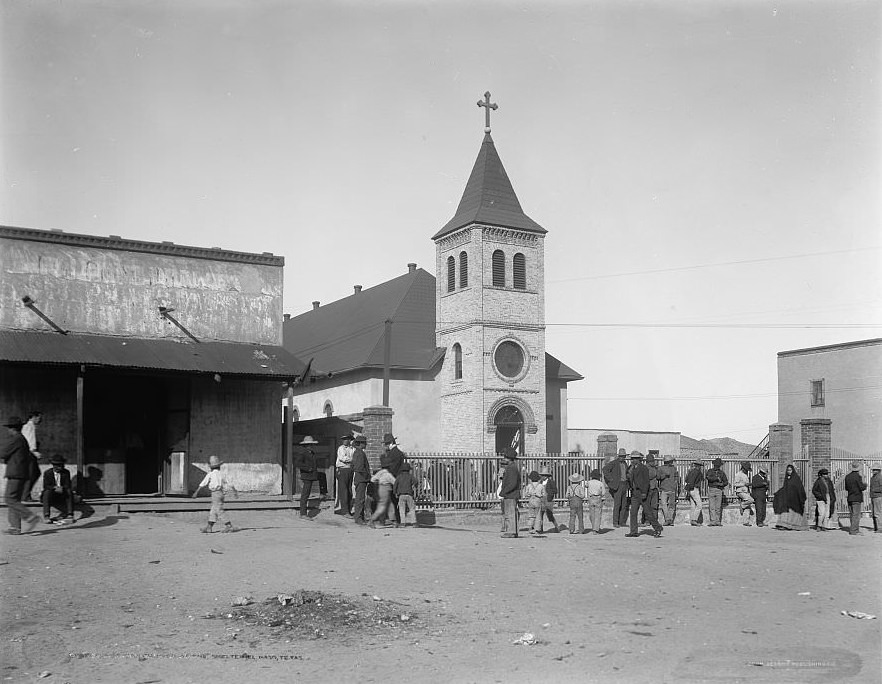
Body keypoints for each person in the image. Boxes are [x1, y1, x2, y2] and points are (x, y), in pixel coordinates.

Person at [2, 416, 41, 535]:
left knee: (9, 499)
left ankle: (31, 517)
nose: (8, 430)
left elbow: (3, 453)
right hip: (20, 472)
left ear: (12, 428)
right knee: (15, 500)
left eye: (9, 428)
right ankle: (15, 528)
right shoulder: (21, 439)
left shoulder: (16, 439)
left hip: (16, 472)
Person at [192, 454, 238, 533]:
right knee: (213, 510)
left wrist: (196, 492)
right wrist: (235, 492)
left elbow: (203, 483)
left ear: (211, 467)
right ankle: (209, 527)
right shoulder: (222, 474)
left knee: (218, 510)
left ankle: (229, 525)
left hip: (215, 494)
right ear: (219, 466)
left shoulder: (210, 474)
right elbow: (230, 483)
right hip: (221, 493)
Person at [626, 451, 662, 538]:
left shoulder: (643, 468)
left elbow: (646, 482)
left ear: (638, 459)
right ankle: (633, 531)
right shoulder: (632, 468)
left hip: (642, 492)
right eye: (632, 458)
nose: (632, 460)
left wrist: (644, 492)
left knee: (648, 512)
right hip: (634, 493)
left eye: (634, 459)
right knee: (633, 512)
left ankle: (657, 528)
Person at [773, 464, 807, 531]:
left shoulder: (796, 478)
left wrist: (801, 498)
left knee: (795, 514)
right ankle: (785, 525)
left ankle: (794, 526)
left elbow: (799, 489)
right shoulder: (787, 478)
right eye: (788, 470)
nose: (789, 471)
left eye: (790, 470)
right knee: (787, 513)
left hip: (796, 499)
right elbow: (785, 488)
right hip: (788, 500)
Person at [41, 454, 74, 524]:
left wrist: (62, 488)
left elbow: (68, 485)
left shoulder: (66, 472)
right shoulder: (47, 473)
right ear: (54, 466)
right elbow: (46, 485)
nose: (61, 467)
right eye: (58, 465)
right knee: (46, 492)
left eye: (61, 465)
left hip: (62, 493)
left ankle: (70, 514)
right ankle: (46, 516)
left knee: (69, 491)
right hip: (52, 494)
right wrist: (54, 488)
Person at [383, 433, 406, 523]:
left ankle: (395, 519)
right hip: (398, 478)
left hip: (393, 478)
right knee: (395, 500)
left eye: (387, 444)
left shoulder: (394, 453)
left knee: (393, 500)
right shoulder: (398, 452)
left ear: (392, 443)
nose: (386, 446)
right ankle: (397, 519)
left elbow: (393, 468)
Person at [603, 448, 629, 527]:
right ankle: (615, 522)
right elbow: (605, 469)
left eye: (624, 456)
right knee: (617, 504)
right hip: (618, 485)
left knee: (624, 504)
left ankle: (621, 522)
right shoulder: (614, 463)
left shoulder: (625, 464)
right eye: (621, 456)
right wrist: (611, 479)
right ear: (619, 456)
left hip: (624, 484)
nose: (623, 458)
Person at [499, 448, 521, 538]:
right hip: (511, 494)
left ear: (508, 458)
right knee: (511, 513)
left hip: (510, 494)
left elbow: (512, 483)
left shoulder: (511, 468)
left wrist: (503, 492)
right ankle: (512, 531)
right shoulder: (512, 467)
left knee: (510, 513)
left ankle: (511, 531)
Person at [296, 436, 320, 519]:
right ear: (306, 445)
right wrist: (307, 468)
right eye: (310, 444)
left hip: (310, 476)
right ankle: (303, 513)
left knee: (306, 494)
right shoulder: (302, 453)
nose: (311, 446)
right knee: (305, 495)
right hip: (306, 475)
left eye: (312, 444)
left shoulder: (311, 452)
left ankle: (303, 513)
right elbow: (298, 463)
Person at [350, 435, 372, 525]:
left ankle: (360, 517)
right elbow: (359, 468)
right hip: (361, 479)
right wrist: (368, 476)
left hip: (360, 478)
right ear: (360, 444)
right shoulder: (359, 453)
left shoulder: (358, 452)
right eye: (364, 443)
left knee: (361, 498)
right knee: (360, 499)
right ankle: (358, 518)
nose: (365, 444)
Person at [20, 411, 42, 501]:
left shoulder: (29, 426)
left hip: (28, 453)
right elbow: (29, 441)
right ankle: (25, 495)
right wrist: (34, 452)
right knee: (31, 474)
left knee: (35, 473)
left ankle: (26, 494)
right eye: (39, 418)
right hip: (29, 453)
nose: (40, 420)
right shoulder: (29, 426)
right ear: (33, 417)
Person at [369, 463, 396, 528]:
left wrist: (378, 482)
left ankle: (392, 519)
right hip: (386, 488)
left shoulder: (380, 473)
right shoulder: (388, 474)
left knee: (389, 504)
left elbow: (372, 479)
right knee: (382, 506)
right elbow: (394, 482)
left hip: (380, 488)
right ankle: (372, 519)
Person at [843, 460, 867, 536]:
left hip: (850, 497)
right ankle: (854, 530)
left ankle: (854, 529)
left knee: (852, 514)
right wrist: (865, 484)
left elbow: (846, 488)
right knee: (856, 515)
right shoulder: (858, 477)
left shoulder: (847, 477)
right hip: (857, 497)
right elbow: (862, 487)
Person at [334, 433, 354, 516]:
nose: (345, 441)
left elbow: (353, 458)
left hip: (350, 469)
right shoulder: (341, 448)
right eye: (344, 439)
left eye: (347, 439)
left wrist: (351, 460)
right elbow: (343, 458)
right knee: (343, 490)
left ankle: (348, 509)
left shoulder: (352, 449)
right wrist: (351, 460)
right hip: (342, 469)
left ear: (350, 440)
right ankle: (344, 510)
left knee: (349, 490)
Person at [393, 462, 418, 527]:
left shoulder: (399, 477)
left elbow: (395, 485)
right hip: (409, 494)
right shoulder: (410, 476)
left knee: (402, 509)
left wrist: (395, 493)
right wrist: (414, 486)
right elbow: (416, 482)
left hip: (401, 495)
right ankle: (414, 522)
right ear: (408, 469)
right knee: (412, 509)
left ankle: (403, 523)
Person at [656, 455, 680, 526]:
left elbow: (676, 477)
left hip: (667, 489)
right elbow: (658, 477)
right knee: (669, 506)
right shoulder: (664, 469)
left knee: (666, 505)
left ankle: (668, 519)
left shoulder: (672, 469)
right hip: (668, 489)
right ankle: (669, 519)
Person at [705, 458, 728, 526]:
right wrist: (716, 479)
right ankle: (713, 521)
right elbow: (708, 478)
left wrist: (722, 484)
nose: (717, 466)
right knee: (712, 507)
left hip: (719, 490)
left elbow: (726, 482)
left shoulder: (722, 473)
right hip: (712, 489)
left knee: (718, 507)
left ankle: (717, 521)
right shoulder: (710, 471)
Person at [733, 461, 755, 526]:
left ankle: (746, 521)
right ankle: (742, 505)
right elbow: (735, 484)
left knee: (748, 507)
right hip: (740, 491)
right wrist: (744, 484)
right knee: (751, 500)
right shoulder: (738, 474)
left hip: (746, 491)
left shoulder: (747, 474)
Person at [523, 471, 545, 535]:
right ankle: (537, 529)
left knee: (531, 515)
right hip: (538, 500)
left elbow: (526, 494)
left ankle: (530, 528)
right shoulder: (541, 486)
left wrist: (530, 494)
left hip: (531, 501)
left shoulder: (529, 486)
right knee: (538, 515)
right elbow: (544, 494)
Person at [538, 468, 559, 533]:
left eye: (544, 475)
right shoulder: (540, 482)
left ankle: (556, 527)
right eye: (542, 475)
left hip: (548, 500)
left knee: (550, 515)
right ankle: (540, 529)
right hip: (541, 499)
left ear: (547, 476)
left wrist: (550, 494)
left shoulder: (551, 482)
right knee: (540, 515)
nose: (543, 477)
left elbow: (555, 490)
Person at [585, 469, 606, 534]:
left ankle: (593, 527)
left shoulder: (589, 482)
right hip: (598, 498)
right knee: (598, 514)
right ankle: (596, 529)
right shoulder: (600, 483)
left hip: (591, 498)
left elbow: (586, 486)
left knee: (592, 514)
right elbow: (603, 492)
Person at [684, 461, 704, 526]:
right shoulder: (697, 472)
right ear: (699, 466)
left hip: (689, 489)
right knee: (699, 505)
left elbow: (686, 480)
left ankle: (692, 520)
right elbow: (701, 479)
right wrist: (692, 486)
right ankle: (694, 520)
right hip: (694, 488)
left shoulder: (690, 471)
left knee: (693, 505)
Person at [645, 453, 661, 526]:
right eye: (651, 461)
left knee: (654, 506)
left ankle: (654, 520)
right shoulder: (646, 468)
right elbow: (650, 476)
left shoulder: (654, 468)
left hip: (655, 488)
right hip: (649, 488)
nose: (653, 462)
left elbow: (658, 476)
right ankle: (647, 520)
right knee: (647, 506)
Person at [870, 465, 882, 533]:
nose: (873, 471)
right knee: (874, 513)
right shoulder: (873, 477)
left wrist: (874, 490)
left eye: (875, 469)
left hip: (878, 497)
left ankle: (880, 528)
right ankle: (876, 527)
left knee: (878, 513)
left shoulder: (880, 477)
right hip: (874, 496)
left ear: (878, 470)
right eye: (873, 469)